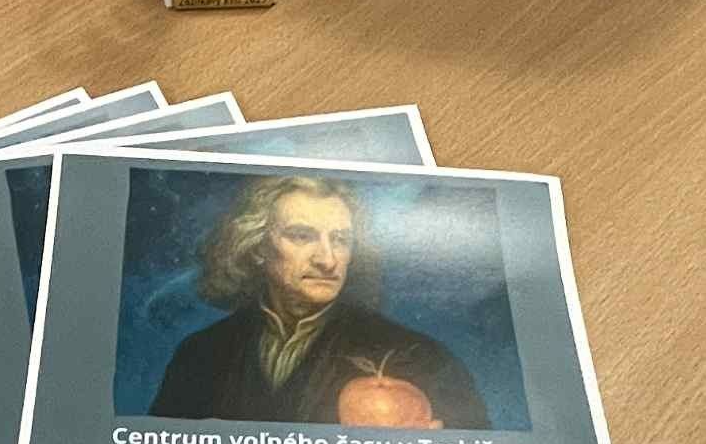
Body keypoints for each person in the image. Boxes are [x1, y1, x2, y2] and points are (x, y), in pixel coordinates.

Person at [150, 176, 489, 428]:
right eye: (302, 236)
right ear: (257, 248)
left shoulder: (420, 358)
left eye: (340, 240)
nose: (327, 260)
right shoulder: (200, 355)